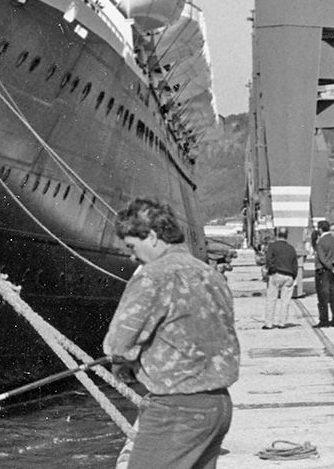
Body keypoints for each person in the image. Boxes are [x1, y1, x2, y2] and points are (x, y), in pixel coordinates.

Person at [104, 198, 239, 469]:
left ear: (152, 237)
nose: (132, 255)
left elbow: (118, 344)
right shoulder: (209, 273)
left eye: (132, 246)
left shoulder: (153, 276)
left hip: (176, 410)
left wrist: (122, 366)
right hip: (218, 406)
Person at [261, 227, 300, 329]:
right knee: (285, 301)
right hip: (289, 276)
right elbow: (295, 265)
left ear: (277, 235)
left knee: (271, 300)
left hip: (276, 274)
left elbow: (268, 260)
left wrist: (272, 270)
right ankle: (282, 323)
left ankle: (269, 324)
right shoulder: (291, 248)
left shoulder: (272, 246)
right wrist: (293, 276)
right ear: (287, 236)